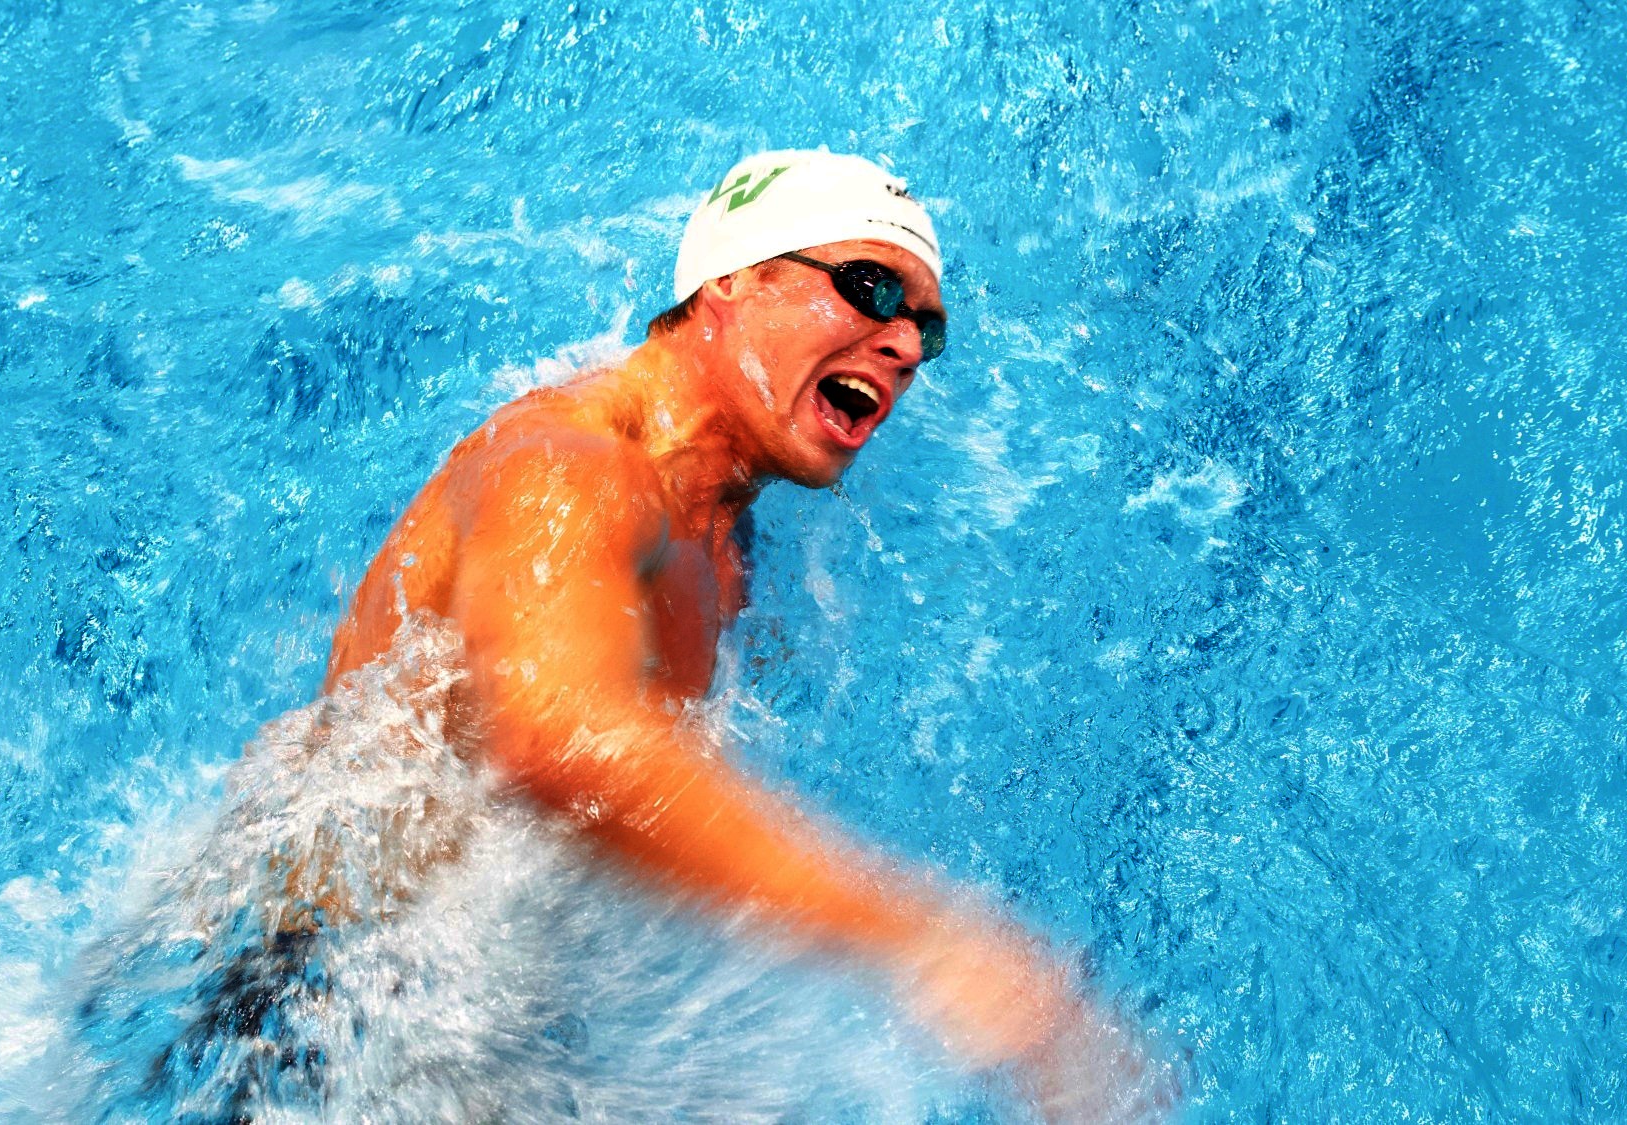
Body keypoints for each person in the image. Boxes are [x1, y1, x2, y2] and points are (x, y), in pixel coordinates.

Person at [296, 148, 1166, 1121]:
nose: (906, 346)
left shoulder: (721, 538)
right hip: (303, 1012)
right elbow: (555, 742)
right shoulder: (569, 469)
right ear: (731, 279)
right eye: (869, 288)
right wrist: (922, 938)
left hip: (469, 1013)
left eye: (925, 327)